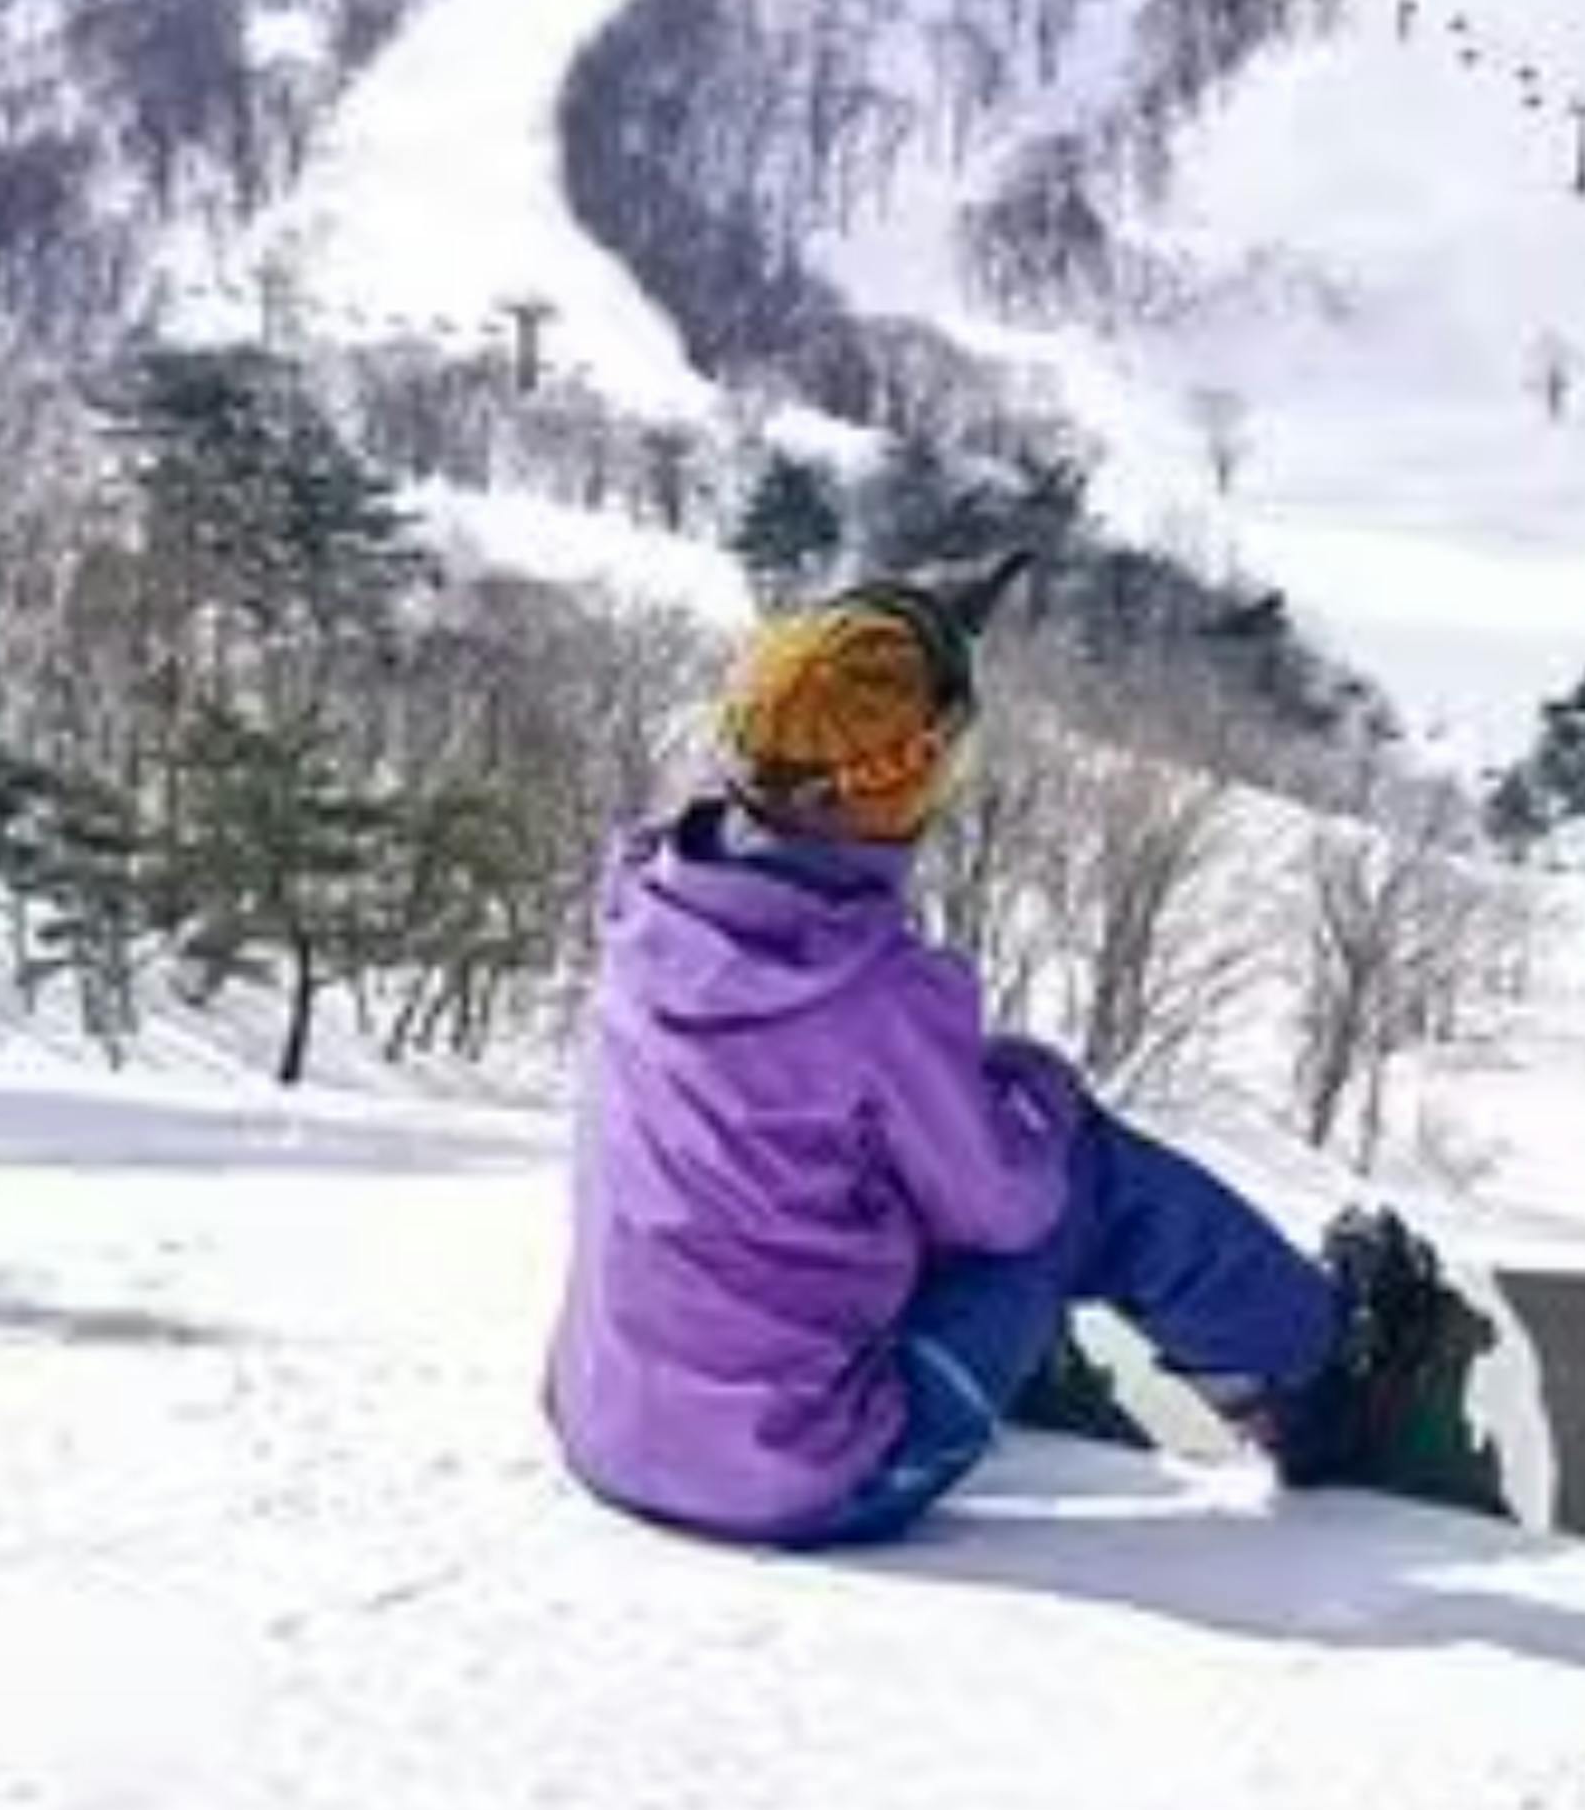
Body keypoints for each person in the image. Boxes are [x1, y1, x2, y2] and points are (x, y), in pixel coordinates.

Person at [544, 566, 1488, 1546]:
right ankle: (1327, 1381)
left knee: (883, 1140)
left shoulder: (648, 920)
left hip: (606, 1433)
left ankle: (1004, 1343)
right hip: (812, 1475)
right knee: (1074, 1174)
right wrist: (1042, 1089)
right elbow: (1008, 1200)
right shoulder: (873, 996)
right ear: (910, 777)